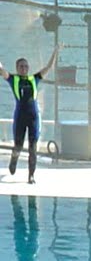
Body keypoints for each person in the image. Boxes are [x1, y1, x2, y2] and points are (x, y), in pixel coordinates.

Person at [3, 44, 60, 184]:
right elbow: (1, 70)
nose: (24, 68)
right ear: (17, 68)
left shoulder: (34, 78)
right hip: (20, 117)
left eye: (26, 66)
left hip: (33, 117)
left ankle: (31, 175)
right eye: (21, 66)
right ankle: (14, 159)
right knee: (18, 145)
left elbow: (48, 67)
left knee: (32, 147)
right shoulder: (13, 79)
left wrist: (56, 51)